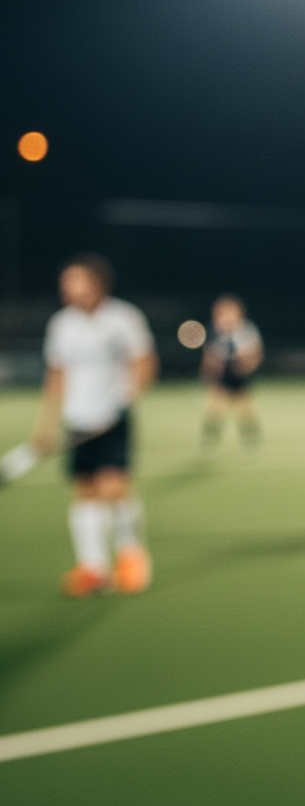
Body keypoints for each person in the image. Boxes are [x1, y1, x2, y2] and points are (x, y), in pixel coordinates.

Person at [33, 253, 157, 597]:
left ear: (97, 283)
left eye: (74, 280)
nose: (66, 288)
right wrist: (46, 424)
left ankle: (132, 558)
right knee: (85, 493)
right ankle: (93, 568)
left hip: (112, 419)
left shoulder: (124, 318)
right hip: (77, 421)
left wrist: (123, 402)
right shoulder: (61, 324)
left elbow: (144, 364)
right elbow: (56, 375)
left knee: (114, 488)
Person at [199, 294, 263, 453]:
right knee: (215, 409)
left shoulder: (246, 330)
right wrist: (208, 370)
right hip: (223, 373)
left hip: (240, 371)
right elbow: (209, 354)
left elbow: (256, 352)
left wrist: (248, 364)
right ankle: (209, 442)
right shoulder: (214, 330)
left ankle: (249, 441)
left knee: (245, 410)